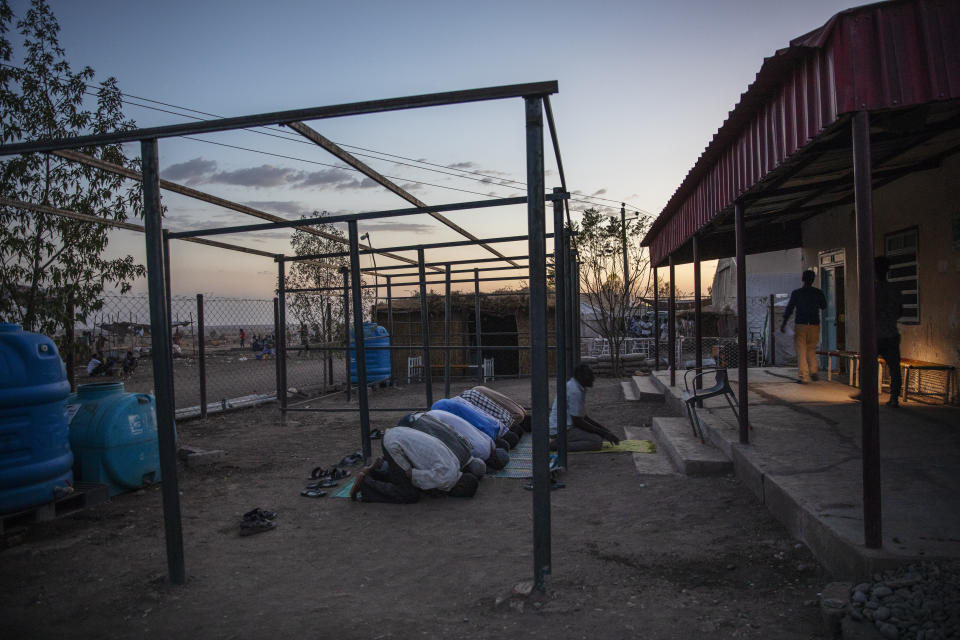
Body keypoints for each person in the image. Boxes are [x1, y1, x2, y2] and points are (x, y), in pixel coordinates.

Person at [350, 427, 480, 503]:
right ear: (460, 486)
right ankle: (366, 484)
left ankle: (374, 473)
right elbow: (411, 475)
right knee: (408, 494)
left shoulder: (456, 464)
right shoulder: (447, 480)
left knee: (405, 480)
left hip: (399, 434)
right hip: (395, 445)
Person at [548, 363, 620, 452]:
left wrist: (605, 431)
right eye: (589, 376)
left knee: (598, 436)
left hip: (565, 427)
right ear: (581, 377)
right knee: (596, 442)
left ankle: (559, 442)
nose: (592, 378)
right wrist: (603, 433)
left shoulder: (576, 386)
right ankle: (556, 445)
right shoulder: (575, 391)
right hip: (560, 430)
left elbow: (584, 417)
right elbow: (578, 421)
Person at [781, 269, 827, 383]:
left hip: (801, 324)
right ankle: (814, 370)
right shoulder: (818, 292)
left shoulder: (797, 293)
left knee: (801, 350)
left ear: (803, 279)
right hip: (814, 324)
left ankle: (804, 376)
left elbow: (790, 309)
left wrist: (784, 323)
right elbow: (824, 306)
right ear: (813, 280)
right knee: (811, 349)